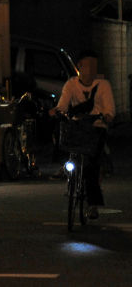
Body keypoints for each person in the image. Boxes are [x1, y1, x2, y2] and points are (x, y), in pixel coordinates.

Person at [51, 49, 115, 220]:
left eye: (95, 66)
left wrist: (108, 116)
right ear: (79, 66)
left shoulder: (103, 85)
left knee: (92, 166)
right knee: (63, 140)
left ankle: (92, 204)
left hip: (96, 128)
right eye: (89, 65)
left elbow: (109, 108)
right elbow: (63, 105)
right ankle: (67, 170)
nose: (92, 69)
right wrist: (57, 111)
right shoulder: (71, 85)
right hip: (76, 127)